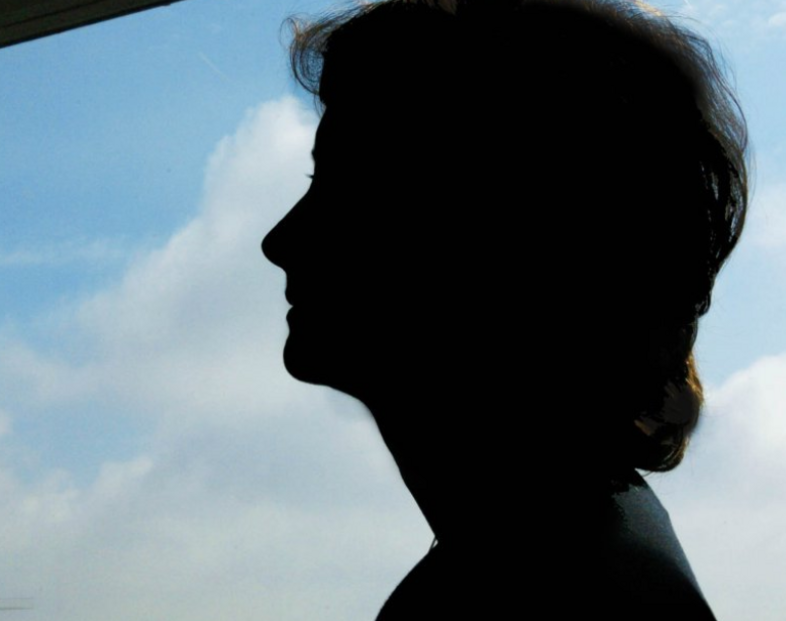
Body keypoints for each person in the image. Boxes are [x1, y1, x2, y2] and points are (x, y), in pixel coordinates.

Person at [261, 0, 748, 618]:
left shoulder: (537, 589)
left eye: (350, 190)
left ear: (506, 237)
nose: (279, 241)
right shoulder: (567, 551)